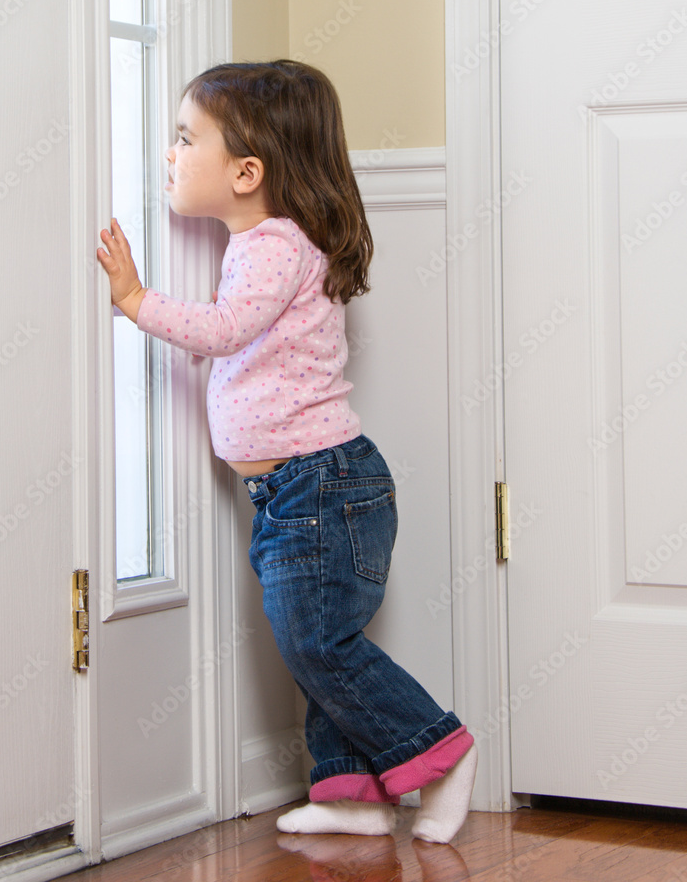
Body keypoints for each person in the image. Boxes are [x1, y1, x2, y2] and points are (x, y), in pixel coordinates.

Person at [96, 60, 477, 844]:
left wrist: (135, 301)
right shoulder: (266, 242)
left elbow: (223, 330)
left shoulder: (273, 247)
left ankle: (439, 750)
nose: (168, 154)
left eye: (181, 138)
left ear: (246, 172)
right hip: (299, 495)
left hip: (321, 490)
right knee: (316, 644)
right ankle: (349, 796)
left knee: (315, 641)